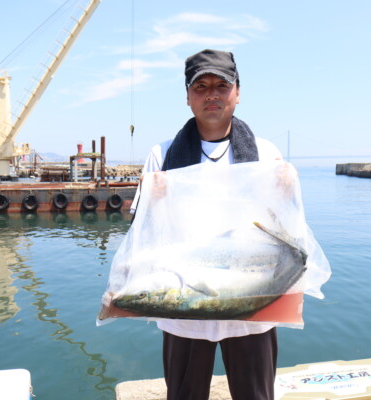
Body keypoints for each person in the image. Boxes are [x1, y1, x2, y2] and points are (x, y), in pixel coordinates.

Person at [133, 49, 284, 400]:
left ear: (238, 92)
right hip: (185, 301)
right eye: (200, 86)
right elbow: (146, 233)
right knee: (184, 395)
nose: (212, 94)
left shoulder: (265, 153)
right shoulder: (162, 155)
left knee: (256, 395)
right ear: (187, 97)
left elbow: (281, 233)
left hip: (251, 301)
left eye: (222, 84)